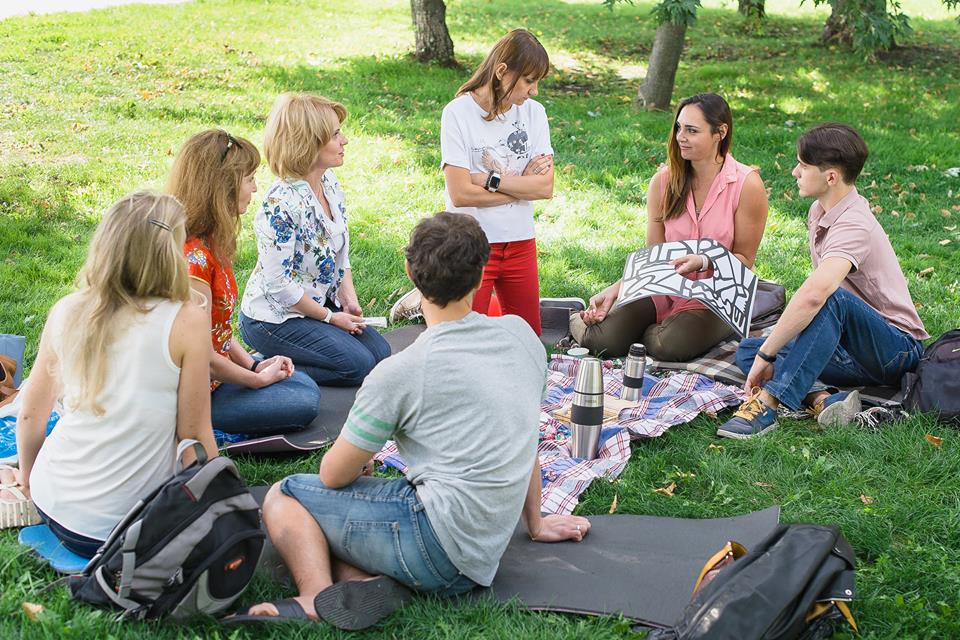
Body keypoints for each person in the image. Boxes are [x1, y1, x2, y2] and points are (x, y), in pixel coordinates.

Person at [237, 212, 590, 628]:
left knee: (285, 496)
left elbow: (332, 476)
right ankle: (365, 581)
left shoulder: (401, 371)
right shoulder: (523, 338)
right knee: (358, 509)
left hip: (434, 542)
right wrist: (536, 523)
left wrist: (357, 463)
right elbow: (523, 433)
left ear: (410, 271)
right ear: (481, 276)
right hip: (484, 554)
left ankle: (316, 598)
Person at [15, 192, 218, 557]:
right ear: (168, 253)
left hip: (53, 504)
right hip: (129, 530)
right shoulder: (186, 321)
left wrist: (29, 480)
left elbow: (31, 414)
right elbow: (194, 437)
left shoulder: (67, 310)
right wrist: (219, 508)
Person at [718, 123, 928, 439]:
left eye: (803, 166)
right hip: (847, 348)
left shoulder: (854, 224)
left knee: (827, 302)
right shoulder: (820, 210)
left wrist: (769, 353)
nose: (794, 172)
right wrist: (767, 351)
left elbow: (817, 294)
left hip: (893, 350)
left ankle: (769, 403)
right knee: (751, 350)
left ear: (831, 177)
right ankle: (825, 400)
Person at [570, 93, 769, 360]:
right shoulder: (663, 182)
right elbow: (653, 256)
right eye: (678, 128)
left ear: (720, 132)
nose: (680, 137)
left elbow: (744, 259)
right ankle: (580, 315)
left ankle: (652, 333)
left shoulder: (747, 185)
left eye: (692, 130)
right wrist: (616, 290)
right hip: (663, 287)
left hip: (717, 294)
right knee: (601, 340)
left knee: (668, 346)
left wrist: (704, 261)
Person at [168, 129, 321, 436]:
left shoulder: (212, 241)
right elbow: (200, 355)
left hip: (216, 376)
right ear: (222, 187)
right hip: (194, 394)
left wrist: (252, 365)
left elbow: (218, 332)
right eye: (249, 179)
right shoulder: (193, 261)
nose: (255, 187)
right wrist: (256, 379)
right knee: (303, 401)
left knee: (302, 384)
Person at [238, 93, 390, 387]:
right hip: (273, 318)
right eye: (335, 135)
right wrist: (331, 318)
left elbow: (339, 253)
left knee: (379, 353)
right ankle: (263, 366)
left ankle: (294, 354)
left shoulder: (329, 183)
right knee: (357, 366)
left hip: (314, 304)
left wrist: (348, 301)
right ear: (307, 143)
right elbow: (278, 286)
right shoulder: (280, 205)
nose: (345, 140)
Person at [439, 28, 555, 335]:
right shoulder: (457, 113)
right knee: (468, 338)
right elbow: (461, 193)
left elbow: (544, 187)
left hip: (520, 241)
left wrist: (488, 179)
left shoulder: (534, 113)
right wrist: (521, 186)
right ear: (502, 71)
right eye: (529, 80)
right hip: (471, 242)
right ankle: (429, 302)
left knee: (528, 338)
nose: (534, 91)